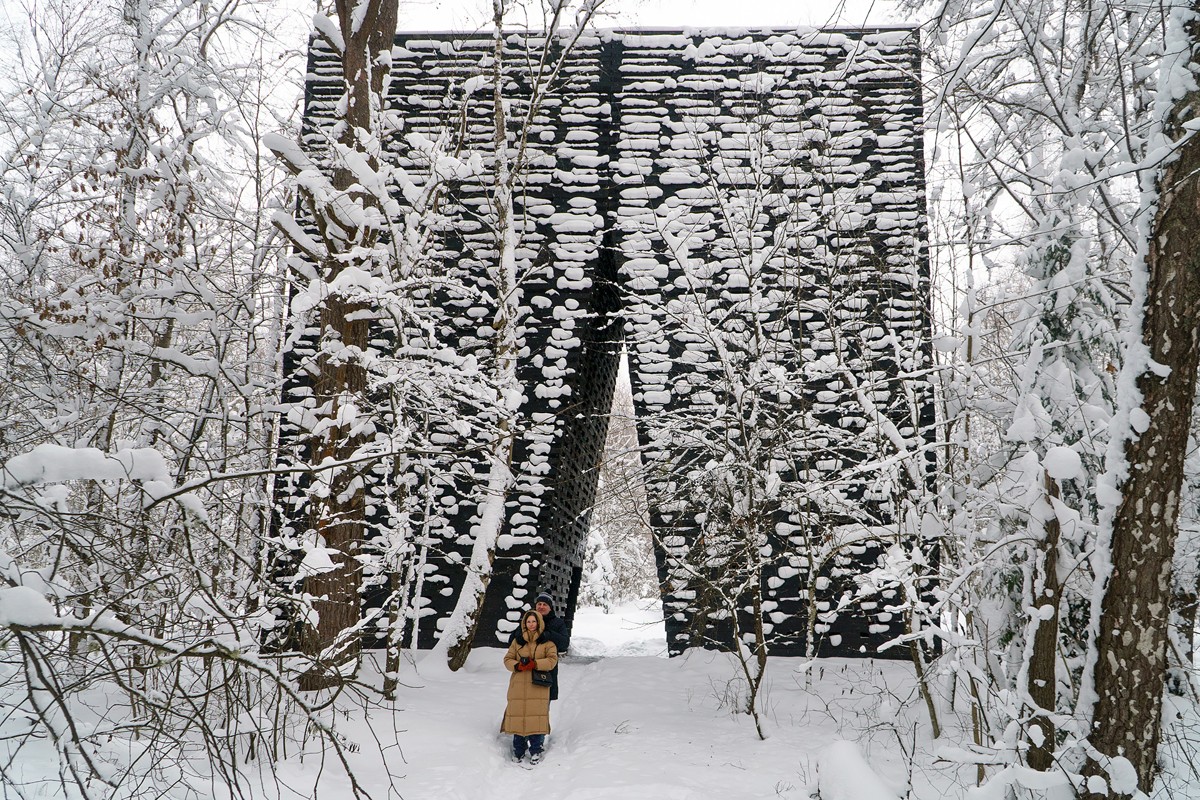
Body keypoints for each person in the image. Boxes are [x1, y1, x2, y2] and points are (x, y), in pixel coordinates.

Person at [501, 609, 558, 765]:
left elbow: (553, 660)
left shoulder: (547, 641)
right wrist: (517, 665)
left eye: (534, 621)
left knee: (536, 718)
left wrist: (536, 664)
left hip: (537, 685)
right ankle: (518, 750)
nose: (531, 624)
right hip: (519, 683)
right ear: (524, 623)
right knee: (519, 716)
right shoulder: (517, 641)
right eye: (528, 621)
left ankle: (535, 750)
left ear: (539, 622)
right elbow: (507, 659)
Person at [508, 591, 571, 701]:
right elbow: (511, 641)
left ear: (550, 607)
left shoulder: (557, 623)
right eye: (539, 604)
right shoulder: (528, 621)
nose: (541, 607)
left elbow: (564, 644)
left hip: (546, 673)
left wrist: (549, 635)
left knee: (541, 709)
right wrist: (521, 637)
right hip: (524, 671)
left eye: (545, 605)